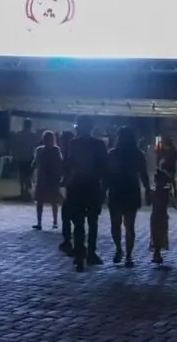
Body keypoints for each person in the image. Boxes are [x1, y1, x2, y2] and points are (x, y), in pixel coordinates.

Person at [65, 116, 108, 272]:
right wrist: (104, 188)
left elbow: (68, 164)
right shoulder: (99, 144)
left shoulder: (73, 143)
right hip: (92, 186)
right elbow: (104, 167)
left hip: (77, 186)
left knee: (78, 222)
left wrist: (67, 182)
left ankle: (79, 253)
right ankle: (91, 252)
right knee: (92, 221)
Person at [106, 126, 151, 267]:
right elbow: (143, 174)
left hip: (116, 190)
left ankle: (120, 250)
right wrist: (147, 190)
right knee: (129, 225)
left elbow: (107, 174)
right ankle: (128, 255)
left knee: (116, 224)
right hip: (131, 190)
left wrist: (103, 190)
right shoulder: (137, 154)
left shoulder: (113, 153)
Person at [31, 131, 63, 230]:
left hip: (49, 177)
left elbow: (59, 163)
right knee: (42, 201)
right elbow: (35, 163)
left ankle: (53, 221)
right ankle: (41, 222)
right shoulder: (45, 150)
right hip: (44, 178)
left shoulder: (53, 150)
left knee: (52, 201)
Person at [150, 169, 174, 266]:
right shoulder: (166, 192)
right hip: (162, 215)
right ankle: (157, 253)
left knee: (156, 234)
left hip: (157, 215)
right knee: (159, 234)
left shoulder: (157, 191)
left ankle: (157, 253)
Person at [57, 130, 75, 256]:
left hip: (73, 189)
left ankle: (68, 240)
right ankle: (69, 240)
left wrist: (63, 182)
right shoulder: (69, 154)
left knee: (68, 215)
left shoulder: (69, 155)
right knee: (70, 216)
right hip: (73, 189)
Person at [12, 119, 38, 200]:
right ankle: (27, 190)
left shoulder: (18, 134)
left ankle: (22, 189)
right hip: (29, 157)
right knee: (28, 174)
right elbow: (35, 145)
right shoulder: (33, 135)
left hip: (20, 157)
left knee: (21, 174)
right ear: (30, 125)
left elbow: (14, 145)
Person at [157, 136, 177, 202]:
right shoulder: (164, 149)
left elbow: (174, 158)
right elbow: (160, 156)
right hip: (165, 167)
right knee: (167, 181)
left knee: (171, 180)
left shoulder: (173, 149)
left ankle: (173, 192)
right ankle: (168, 194)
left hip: (170, 167)